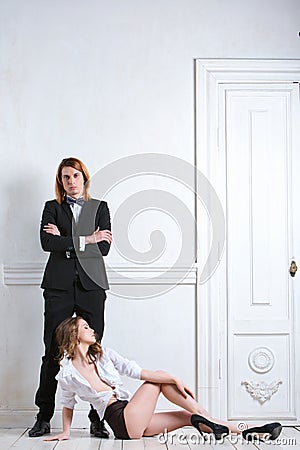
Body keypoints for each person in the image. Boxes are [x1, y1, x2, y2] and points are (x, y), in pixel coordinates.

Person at [45, 316, 283, 442]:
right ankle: (211, 419)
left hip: (133, 418)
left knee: (189, 417)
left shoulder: (104, 355)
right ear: (74, 335)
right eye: (86, 328)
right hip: (121, 420)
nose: (92, 330)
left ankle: (250, 431)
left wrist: (173, 379)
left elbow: (136, 370)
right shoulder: (67, 373)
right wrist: (65, 432)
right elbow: (68, 404)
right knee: (157, 381)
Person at [29, 157, 112, 438]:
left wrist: (67, 240)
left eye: (75, 176)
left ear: (84, 178)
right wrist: (86, 239)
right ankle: (43, 416)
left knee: (94, 353)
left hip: (92, 287)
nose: (71, 181)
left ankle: (97, 417)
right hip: (58, 288)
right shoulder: (51, 208)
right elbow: (47, 243)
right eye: (65, 177)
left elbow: (103, 249)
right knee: (52, 352)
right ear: (60, 181)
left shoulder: (100, 208)